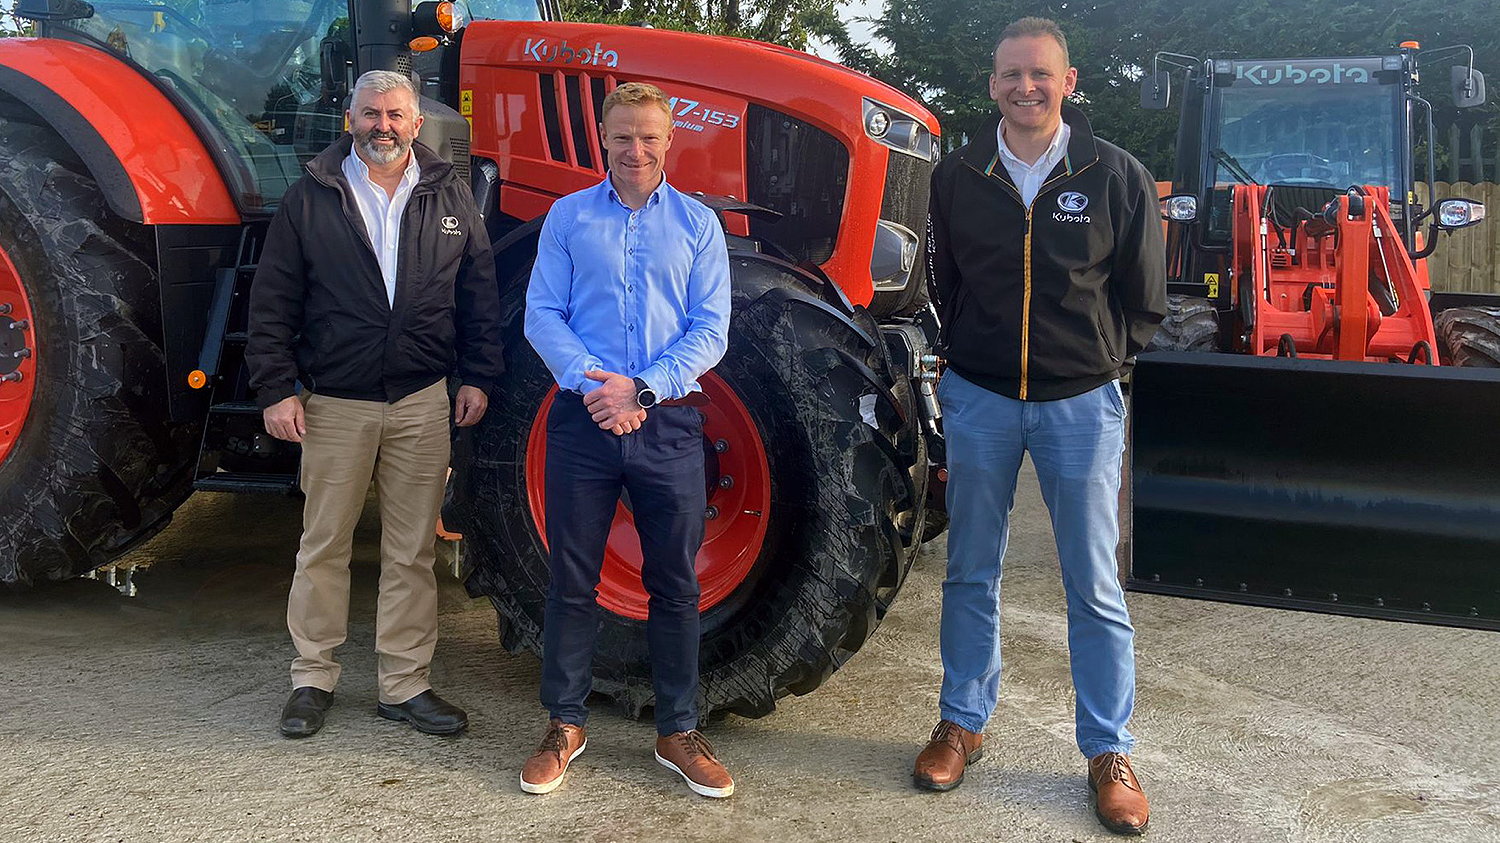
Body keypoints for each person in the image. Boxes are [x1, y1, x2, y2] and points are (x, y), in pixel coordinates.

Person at [914, 17, 1167, 836]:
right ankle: (962, 722)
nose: (1026, 87)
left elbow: (1144, 300)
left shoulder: (1116, 175)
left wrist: (1096, 364)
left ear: (1070, 81)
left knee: (1092, 582)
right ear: (992, 85)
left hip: (1081, 406)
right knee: (969, 570)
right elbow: (944, 284)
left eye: (1041, 74)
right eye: (1012, 74)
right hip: (982, 401)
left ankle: (1109, 749)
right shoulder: (958, 178)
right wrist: (966, 366)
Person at [246, 69, 503, 740]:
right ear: (349, 120)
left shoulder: (448, 193)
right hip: (335, 402)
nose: (381, 125)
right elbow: (272, 300)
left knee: (412, 550)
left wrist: (477, 375)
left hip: (422, 400)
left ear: (418, 124)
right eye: (369, 114)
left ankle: (405, 684)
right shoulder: (312, 197)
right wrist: (275, 387)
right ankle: (312, 676)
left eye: (394, 114)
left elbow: (478, 292)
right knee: (323, 544)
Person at [519, 81, 733, 798]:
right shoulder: (567, 217)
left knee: (675, 582)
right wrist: (597, 385)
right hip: (585, 418)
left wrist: (640, 389)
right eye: (622, 137)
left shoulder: (700, 225)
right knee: (571, 578)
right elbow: (542, 313)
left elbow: (712, 329)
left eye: (648, 136)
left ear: (669, 141)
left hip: (667, 421)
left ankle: (677, 730)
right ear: (602, 141)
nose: (635, 149)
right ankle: (564, 722)